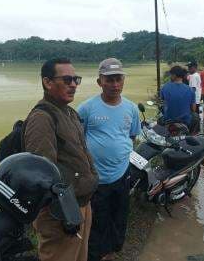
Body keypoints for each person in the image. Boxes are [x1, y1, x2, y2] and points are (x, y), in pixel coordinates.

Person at [23, 58, 99, 261]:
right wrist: (67, 213)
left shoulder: (70, 113)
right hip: (60, 213)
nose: (73, 84)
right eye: (67, 79)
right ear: (48, 82)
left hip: (81, 203)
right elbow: (42, 172)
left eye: (75, 79)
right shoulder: (42, 118)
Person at [77, 58, 141, 261]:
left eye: (118, 79)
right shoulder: (86, 109)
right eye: (109, 80)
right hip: (95, 178)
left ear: (123, 81)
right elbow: (78, 140)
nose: (114, 84)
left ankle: (113, 250)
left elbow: (131, 136)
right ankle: (97, 253)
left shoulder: (131, 109)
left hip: (121, 173)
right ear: (99, 82)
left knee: (119, 214)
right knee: (97, 218)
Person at [160, 66, 199, 133]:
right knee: (195, 116)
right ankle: (192, 135)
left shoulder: (165, 87)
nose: (170, 77)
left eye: (171, 75)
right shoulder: (190, 90)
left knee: (159, 122)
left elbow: (163, 101)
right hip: (185, 121)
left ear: (174, 75)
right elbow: (193, 109)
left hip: (168, 120)